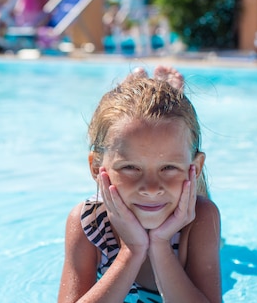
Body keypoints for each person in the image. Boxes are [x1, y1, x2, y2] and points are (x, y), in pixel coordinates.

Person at [58, 66, 222, 303]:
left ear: (194, 168)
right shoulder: (89, 222)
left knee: (219, 240)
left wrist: (161, 244)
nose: (151, 188)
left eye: (168, 168)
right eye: (131, 168)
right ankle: (150, 99)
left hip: (187, 214)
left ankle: (164, 99)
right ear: (96, 168)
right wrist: (131, 251)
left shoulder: (200, 218)